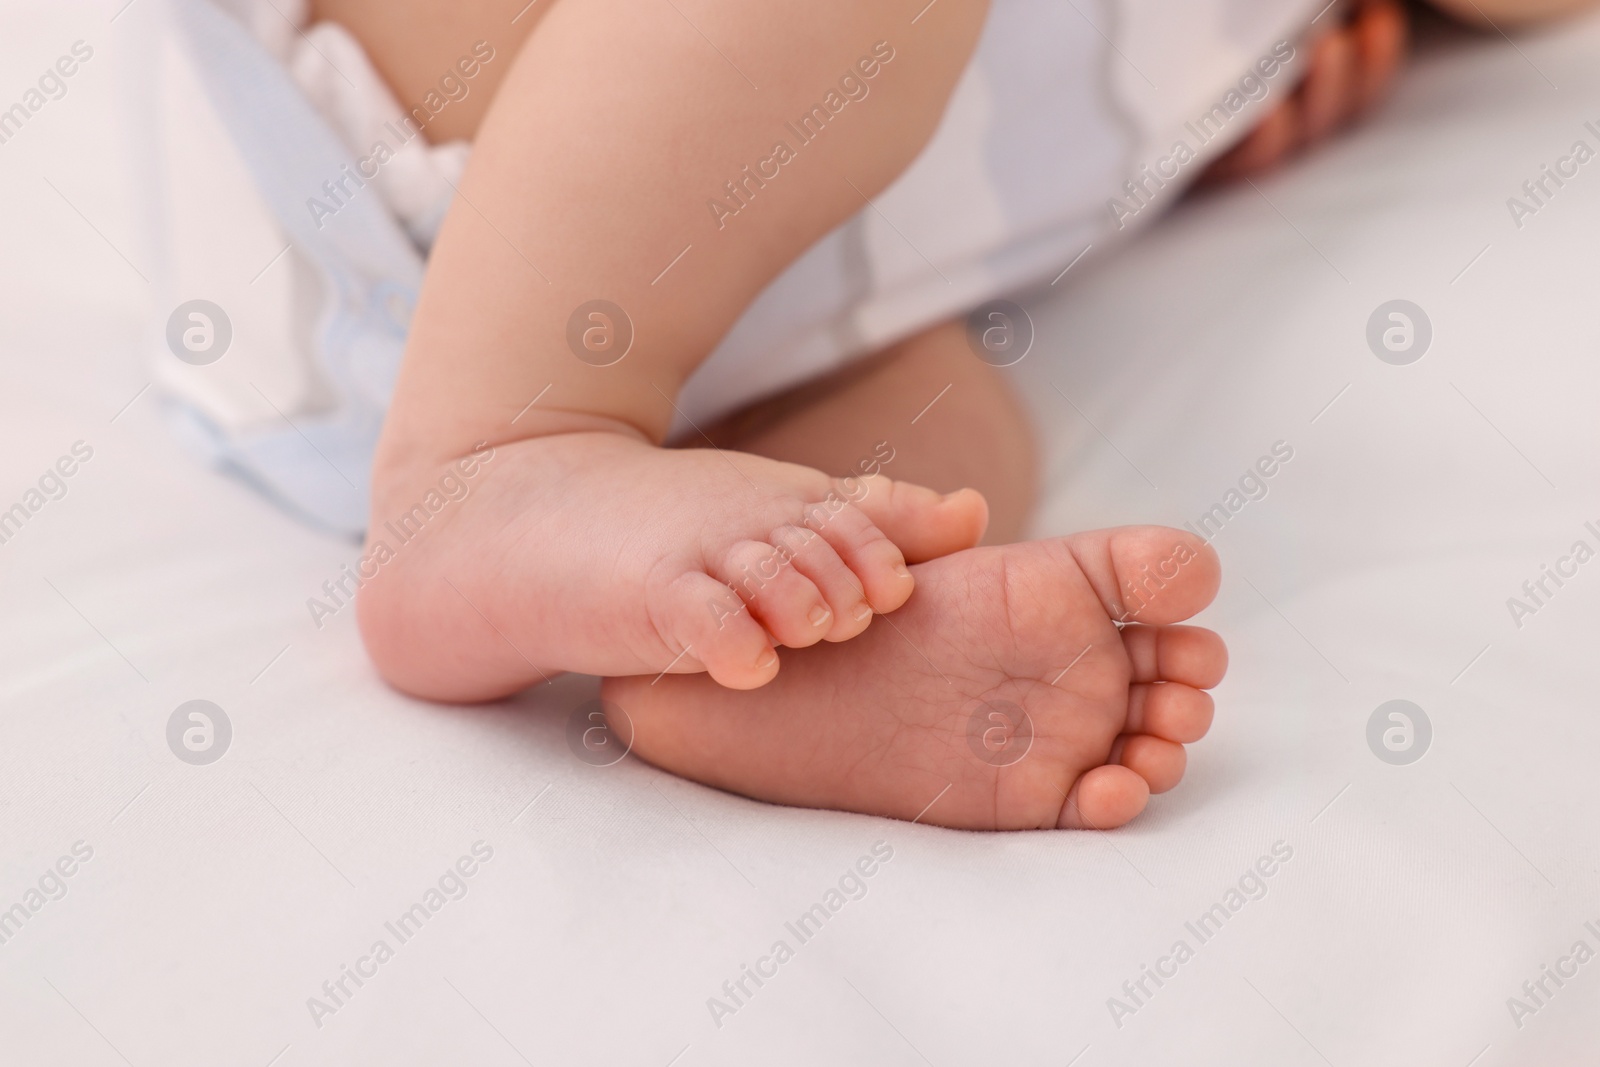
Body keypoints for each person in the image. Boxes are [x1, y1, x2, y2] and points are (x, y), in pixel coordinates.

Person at [299, 0, 1584, 830]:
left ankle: (735, 645)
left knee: (945, 452)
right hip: (495, 104)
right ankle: (487, 453)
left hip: (734, 294)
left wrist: (1203, 111)